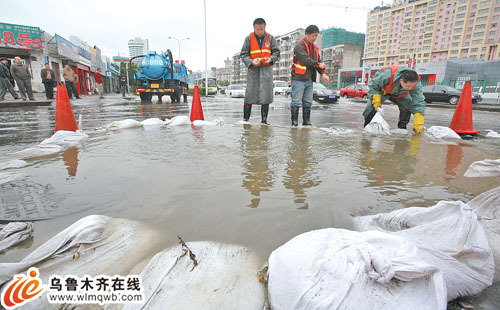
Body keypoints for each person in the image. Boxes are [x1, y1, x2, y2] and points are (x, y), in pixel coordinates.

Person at [240, 18, 280, 124]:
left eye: (262, 29)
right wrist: (251, 62)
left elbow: (276, 52)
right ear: (254, 28)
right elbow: (243, 54)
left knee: (266, 96)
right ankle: (246, 119)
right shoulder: (248, 38)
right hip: (253, 71)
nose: (260, 31)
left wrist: (271, 59)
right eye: (258, 29)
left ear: (265, 27)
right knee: (249, 95)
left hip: (266, 71)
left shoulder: (271, 38)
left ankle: (264, 120)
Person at [363, 66, 425, 134]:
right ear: (401, 81)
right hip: (382, 91)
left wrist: (419, 122)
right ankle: (367, 126)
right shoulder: (387, 75)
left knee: (407, 106)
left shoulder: (416, 83)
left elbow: (418, 101)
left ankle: (402, 127)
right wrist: (376, 99)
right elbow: (373, 85)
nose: (410, 88)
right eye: (409, 86)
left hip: (400, 94)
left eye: (413, 86)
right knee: (372, 107)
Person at [290, 25, 330, 126]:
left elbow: (318, 62)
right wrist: (318, 64)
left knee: (308, 102)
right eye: (313, 36)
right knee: (296, 101)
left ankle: (306, 122)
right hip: (298, 78)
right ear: (307, 34)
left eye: (316, 36)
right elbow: (306, 60)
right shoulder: (299, 46)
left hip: (309, 79)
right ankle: (294, 122)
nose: (315, 38)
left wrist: (323, 74)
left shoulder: (315, 48)